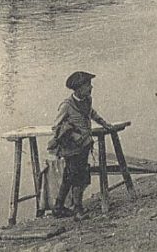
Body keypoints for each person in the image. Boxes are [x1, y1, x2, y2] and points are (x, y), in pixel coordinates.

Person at [48, 71, 113, 219]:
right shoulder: (66, 105)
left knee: (72, 176)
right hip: (71, 147)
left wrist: (104, 124)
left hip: (84, 145)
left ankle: (58, 208)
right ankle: (78, 210)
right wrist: (72, 134)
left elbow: (92, 113)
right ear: (78, 88)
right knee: (76, 176)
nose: (91, 87)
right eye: (87, 85)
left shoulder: (87, 100)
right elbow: (56, 127)